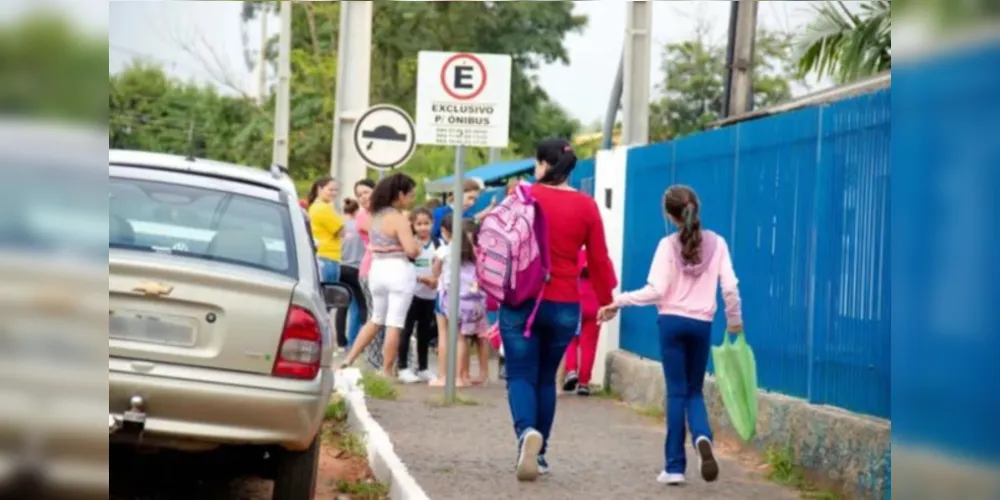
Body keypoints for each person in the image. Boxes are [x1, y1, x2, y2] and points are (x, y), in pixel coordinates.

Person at [597, 185, 743, 486]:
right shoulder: (718, 243)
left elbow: (656, 291)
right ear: (696, 209)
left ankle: (674, 466)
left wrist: (619, 301)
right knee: (694, 391)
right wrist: (734, 321)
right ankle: (703, 437)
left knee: (676, 392)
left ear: (670, 215)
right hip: (701, 325)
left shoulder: (666, 245)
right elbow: (729, 287)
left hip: (671, 325)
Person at [498, 139, 617, 482]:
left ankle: (525, 435)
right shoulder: (586, 206)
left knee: (519, 375)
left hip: (522, 299)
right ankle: (542, 453)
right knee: (546, 378)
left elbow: (497, 244)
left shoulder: (522, 197)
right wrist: (607, 299)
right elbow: (597, 259)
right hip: (565, 303)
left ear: (544, 165)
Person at [341, 173, 421, 378]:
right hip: (398, 271)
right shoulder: (398, 219)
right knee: (394, 322)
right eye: (410, 195)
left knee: (375, 318)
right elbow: (411, 250)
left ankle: (348, 360)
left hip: (376, 269)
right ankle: (386, 370)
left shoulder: (374, 217)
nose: (411, 200)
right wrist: (417, 247)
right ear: (400, 194)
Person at [429, 218, 488, 386]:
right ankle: (462, 375)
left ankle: (445, 376)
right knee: (463, 338)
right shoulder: (476, 253)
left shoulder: (444, 250)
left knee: (445, 336)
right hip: (472, 300)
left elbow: (435, 272)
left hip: (447, 297)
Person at [397, 207, 439, 384]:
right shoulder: (410, 244)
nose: (423, 228)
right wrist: (420, 278)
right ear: (413, 225)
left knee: (424, 332)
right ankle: (403, 367)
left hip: (430, 294)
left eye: (426, 223)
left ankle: (423, 367)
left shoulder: (438, 243)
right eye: (419, 224)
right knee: (406, 330)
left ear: (432, 224)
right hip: (412, 292)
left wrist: (434, 280)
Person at [306, 177, 346, 337]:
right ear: (319, 189)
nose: (334, 193)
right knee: (327, 303)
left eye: (336, 190)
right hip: (328, 256)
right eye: (330, 189)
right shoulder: (324, 209)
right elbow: (341, 231)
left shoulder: (314, 207)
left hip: (321, 255)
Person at [562, 248, 601, 396]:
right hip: (595, 305)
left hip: (575, 301)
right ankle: (584, 383)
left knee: (570, 338)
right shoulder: (600, 255)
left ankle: (571, 370)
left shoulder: (572, 254)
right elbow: (612, 281)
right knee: (589, 344)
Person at [338, 198, 368, 349]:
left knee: (342, 305)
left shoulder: (340, 226)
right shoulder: (361, 226)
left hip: (341, 266)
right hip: (356, 268)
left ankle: (341, 341)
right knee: (361, 306)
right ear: (357, 212)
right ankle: (357, 341)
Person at [430, 178, 493, 242]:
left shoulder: (468, 216)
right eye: (470, 198)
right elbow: (432, 238)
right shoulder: (440, 213)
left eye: (475, 200)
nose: (472, 203)